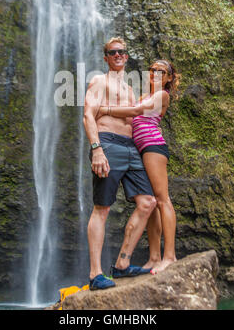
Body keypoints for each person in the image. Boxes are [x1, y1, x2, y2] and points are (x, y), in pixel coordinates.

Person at [83, 37, 157, 290]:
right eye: (112, 52)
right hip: (108, 144)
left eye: (121, 52)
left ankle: (122, 264)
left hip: (131, 147)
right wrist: (97, 150)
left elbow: (139, 115)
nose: (117, 55)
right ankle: (95, 275)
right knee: (102, 208)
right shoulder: (98, 81)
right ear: (105, 57)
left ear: (126, 56)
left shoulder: (129, 90)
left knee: (148, 202)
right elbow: (88, 116)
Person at [97, 59, 181, 274]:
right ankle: (154, 257)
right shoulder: (144, 95)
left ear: (169, 78)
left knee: (163, 200)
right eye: (152, 70)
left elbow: (136, 111)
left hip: (153, 147)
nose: (155, 73)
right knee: (151, 203)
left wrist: (104, 108)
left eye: (161, 71)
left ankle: (169, 256)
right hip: (141, 150)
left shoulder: (162, 95)